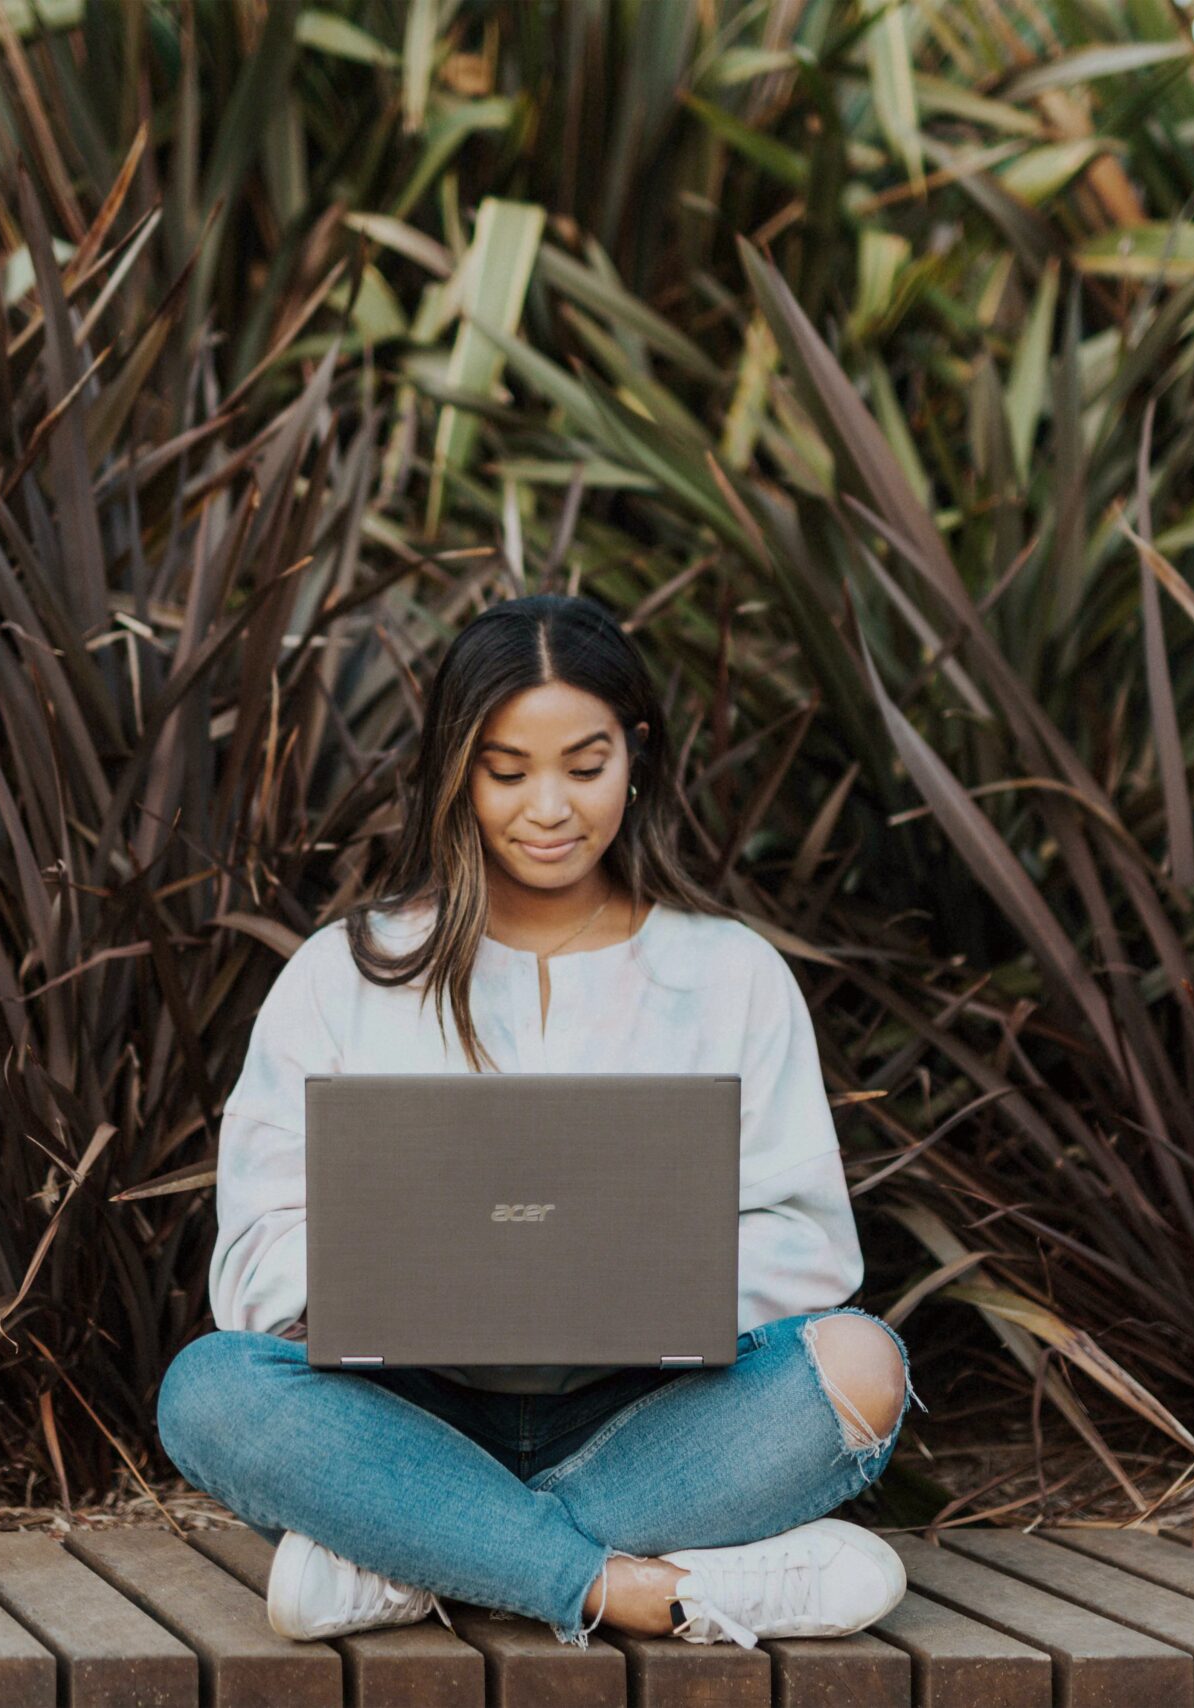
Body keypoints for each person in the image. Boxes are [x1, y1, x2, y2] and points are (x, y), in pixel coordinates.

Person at [156, 593, 926, 1651]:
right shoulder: (342, 974)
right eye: (506, 771)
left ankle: (415, 1557)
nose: (549, 807)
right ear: (454, 770)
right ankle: (640, 1589)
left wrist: (626, 1283)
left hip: (648, 1421)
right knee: (209, 1390)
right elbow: (254, 1259)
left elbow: (807, 1246)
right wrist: (436, 1282)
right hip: (404, 1413)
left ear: (636, 753)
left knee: (861, 1363)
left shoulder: (729, 972)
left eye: (586, 763)